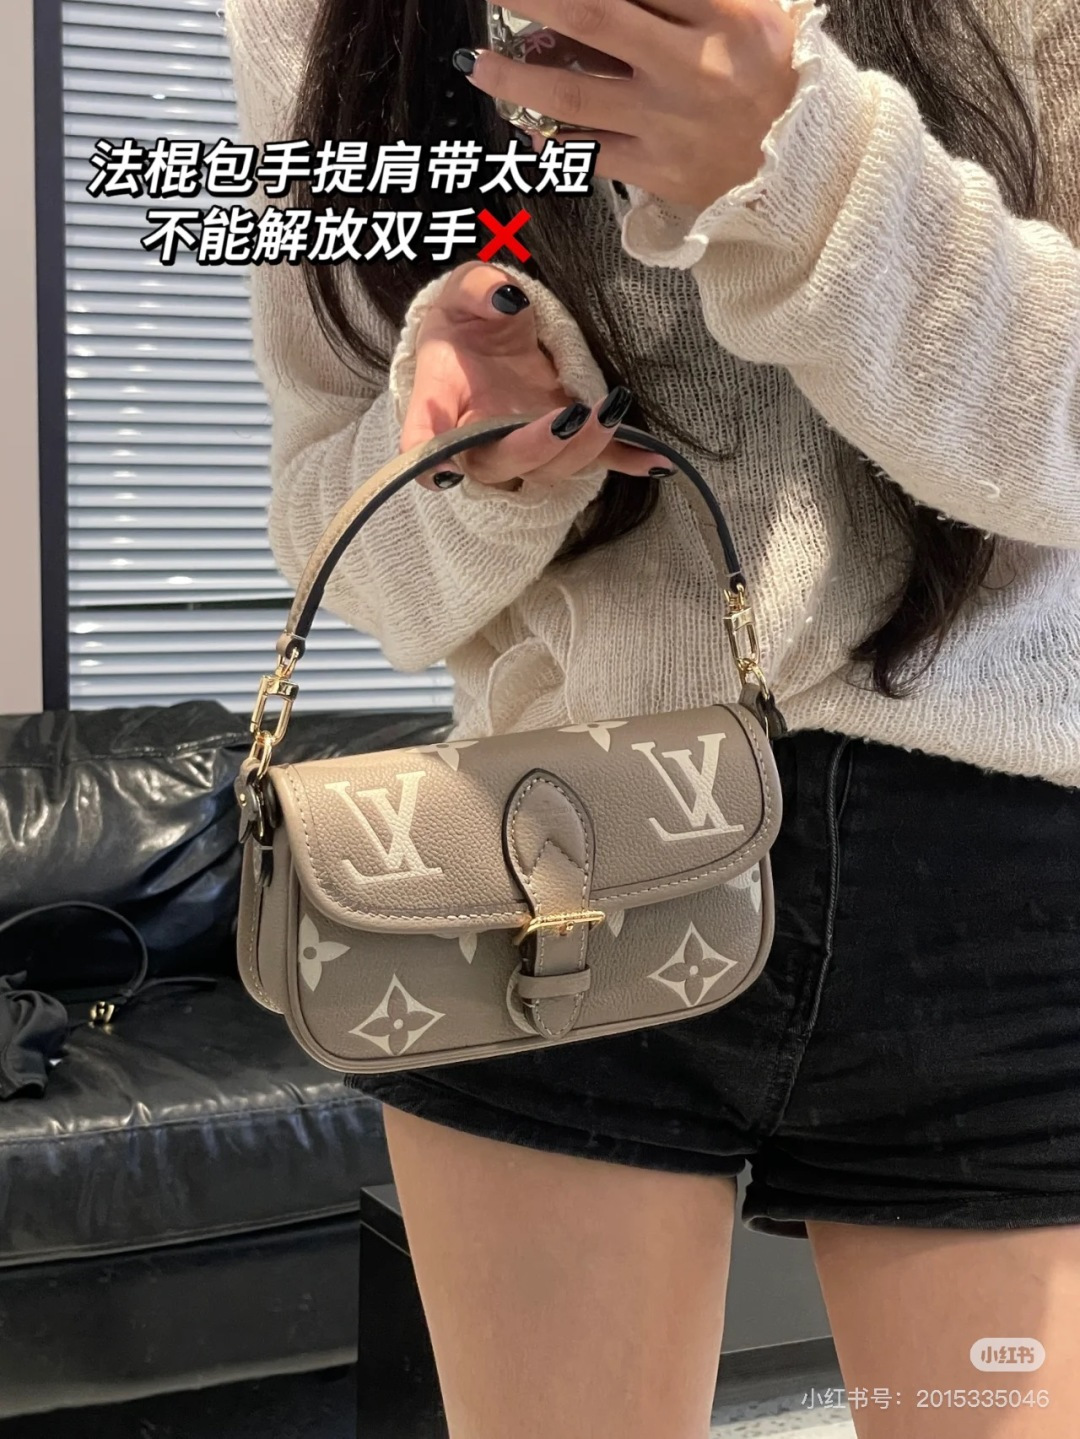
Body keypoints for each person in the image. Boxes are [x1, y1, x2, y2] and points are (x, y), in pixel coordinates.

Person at [224, 1, 1080, 1434]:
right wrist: (468, 458)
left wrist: (794, 164)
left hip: (1002, 892)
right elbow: (339, 542)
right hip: (550, 867)